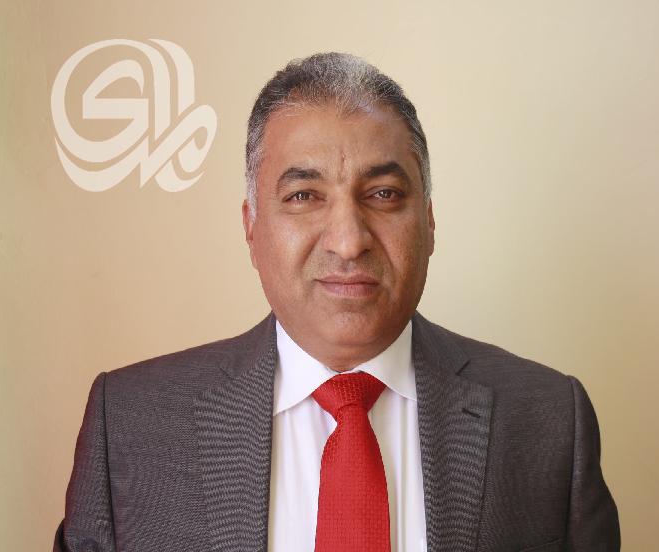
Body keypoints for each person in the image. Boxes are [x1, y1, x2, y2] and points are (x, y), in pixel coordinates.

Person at [54, 52, 620, 552]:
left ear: (428, 222)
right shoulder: (129, 424)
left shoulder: (548, 419)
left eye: (384, 194)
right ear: (251, 227)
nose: (349, 241)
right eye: (304, 195)